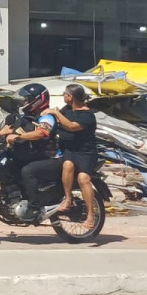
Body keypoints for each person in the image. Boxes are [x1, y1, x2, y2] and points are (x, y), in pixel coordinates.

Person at [3, 83, 61, 221]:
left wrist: (19, 137)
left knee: (28, 171)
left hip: (52, 157)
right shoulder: (29, 117)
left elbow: (41, 133)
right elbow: (9, 130)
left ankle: (34, 207)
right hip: (37, 155)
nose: (25, 102)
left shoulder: (47, 116)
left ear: (38, 100)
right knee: (10, 167)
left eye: (28, 99)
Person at [46, 84, 99, 222]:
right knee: (67, 165)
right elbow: (59, 122)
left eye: (64, 94)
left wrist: (56, 113)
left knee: (83, 179)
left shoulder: (87, 115)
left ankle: (90, 215)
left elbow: (71, 126)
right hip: (69, 149)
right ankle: (68, 198)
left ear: (70, 97)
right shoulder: (67, 110)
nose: (63, 96)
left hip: (85, 152)